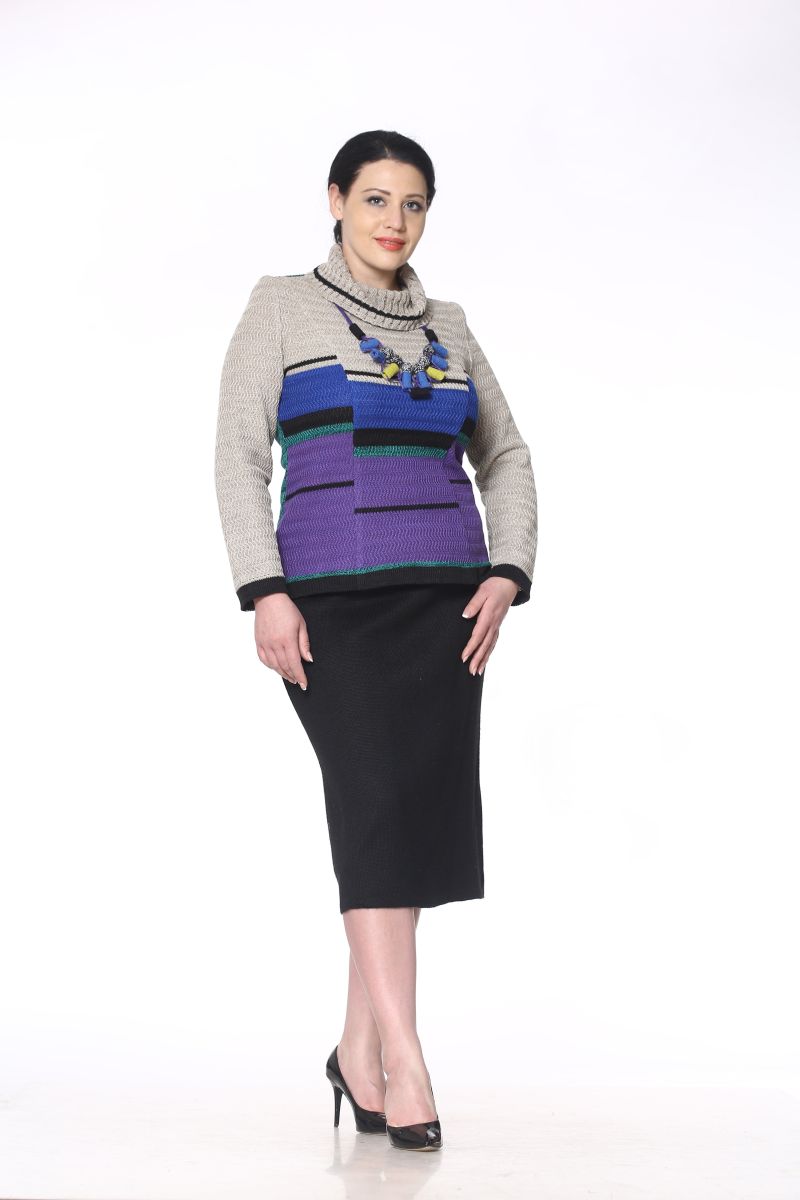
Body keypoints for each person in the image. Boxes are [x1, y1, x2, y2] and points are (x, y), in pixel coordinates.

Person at [214, 130, 538, 1152]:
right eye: (375, 200)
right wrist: (264, 589)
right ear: (335, 201)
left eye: (413, 204)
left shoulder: (450, 325)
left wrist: (506, 569)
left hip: (446, 604)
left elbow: (505, 452)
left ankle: (359, 1052)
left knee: (404, 824)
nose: (394, 221)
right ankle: (407, 1057)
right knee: (374, 811)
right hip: (331, 605)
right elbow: (237, 455)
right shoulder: (281, 306)